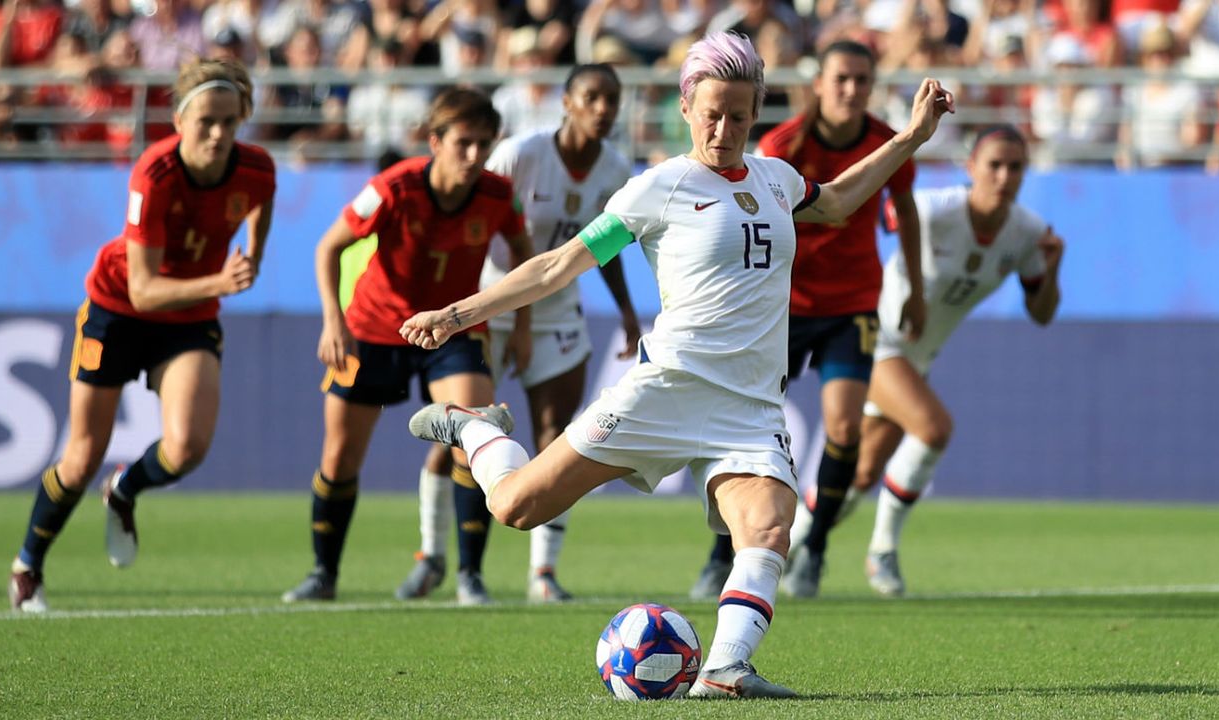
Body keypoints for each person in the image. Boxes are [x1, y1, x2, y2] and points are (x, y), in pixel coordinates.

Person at [400, 31, 952, 697]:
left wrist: (911, 138)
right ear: (687, 108)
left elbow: (835, 200)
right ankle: (477, 428)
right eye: (712, 113)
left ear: (756, 115)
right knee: (517, 507)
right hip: (664, 390)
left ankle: (723, 671)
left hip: (748, 408)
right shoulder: (656, 189)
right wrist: (456, 314)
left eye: (740, 116)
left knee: (772, 525)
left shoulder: (777, 180)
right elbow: (554, 266)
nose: (724, 129)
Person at [7, 58, 275, 612]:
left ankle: (125, 489)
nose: (219, 133)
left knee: (188, 449)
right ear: (179, 120)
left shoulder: (256, 168)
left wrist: (255, 252)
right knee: (81, 457)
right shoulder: (154, 175)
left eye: (230, 120)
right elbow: (145, 290)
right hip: (118, 308)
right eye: (207, 121)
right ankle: (28, 563)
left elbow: (260, 201)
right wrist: (222, 278)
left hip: (191, 316)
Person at [394, 63, 642, 605]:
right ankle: (434, 555)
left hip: (557, 311)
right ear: (568, 104)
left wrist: (625, 310)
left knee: (559, 440)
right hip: (488, 307)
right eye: (592, 96)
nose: (603, 108)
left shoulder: (617, 169)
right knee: (461, 433)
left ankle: (544, 574)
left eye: (612, 99)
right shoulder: (520, 154)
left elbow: (607, 248)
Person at [688, 39, 926, 601]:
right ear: (818, 82)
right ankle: (723, 551)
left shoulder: (881, 143)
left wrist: (913, 286)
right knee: (750, 428)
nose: (851, 90)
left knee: (844, 429)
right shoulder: (782, 144)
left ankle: (815, 547)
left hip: (853, 304)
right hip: (785, 308)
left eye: (862, 81)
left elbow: (906, 212)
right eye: (841, 78)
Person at [280, 87, 535, 606]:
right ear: (434, 140)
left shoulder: (496, 194)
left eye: (484, 144)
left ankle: (470, 577)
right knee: (340, 457)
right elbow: (329, 245)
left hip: (452, 330)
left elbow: (525, 253)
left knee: (477, 429)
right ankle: (322, 574)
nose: (474, 155)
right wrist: (333, 321)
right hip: (374, 329)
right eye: (464, 142)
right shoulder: (394, 187)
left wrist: (524, 325)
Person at [857, 125, 1062, 597]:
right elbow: (867, 216)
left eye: (1016, 167)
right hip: (876, 340)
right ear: (971, 168)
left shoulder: (1027, 232)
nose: (1004, 175)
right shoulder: (934, 209)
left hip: (917, 359)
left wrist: (1052, 269)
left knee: (860, 475)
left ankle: (799, 547)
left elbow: (1042, 313)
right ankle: (882, 552)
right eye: (994, 164)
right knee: (934, 428)